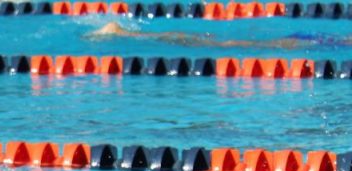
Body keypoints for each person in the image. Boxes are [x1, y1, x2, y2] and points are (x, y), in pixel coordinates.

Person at [86, 20, 349, 49]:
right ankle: (127, 35)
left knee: (222, 43)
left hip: (313, 38)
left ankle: (127, 34)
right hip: (305, 41)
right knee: (222, 44)